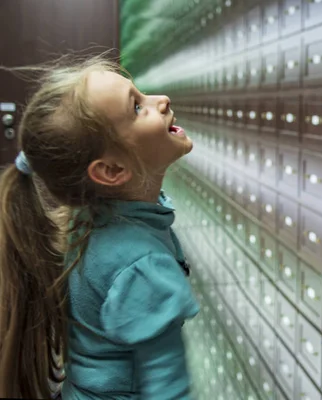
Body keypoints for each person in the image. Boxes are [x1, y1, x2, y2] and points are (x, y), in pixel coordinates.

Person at [0, 55, 200, 399]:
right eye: (137, 107)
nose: (161, 100)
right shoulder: (142, 266)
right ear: (110, 171)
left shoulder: (87, 218)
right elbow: (168, 387)